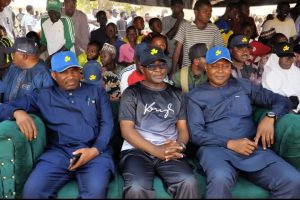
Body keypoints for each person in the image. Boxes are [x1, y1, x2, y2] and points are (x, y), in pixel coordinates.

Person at [186, 45, 300, 198]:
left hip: (251, 148)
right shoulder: (195, 96)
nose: (220, 71)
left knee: (292, 180)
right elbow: (196, 134)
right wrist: (230, 143)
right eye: (215, 66)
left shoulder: (243, 86)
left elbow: (281, 101)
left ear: (230, 67)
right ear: (206, 67)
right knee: (220, 178)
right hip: (215, 149)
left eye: (225, 66)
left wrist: (271, 116)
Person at [0, 51, 114, 198]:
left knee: (95, 192)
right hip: (59, 153)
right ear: (54, 75)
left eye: (74, 71)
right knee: (32, 192)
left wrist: (95, 150)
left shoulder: (96, 91)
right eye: (63, 72)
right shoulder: (43, 95)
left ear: (80, 72)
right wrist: (17, 112)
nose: (70, 76)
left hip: (94, 152)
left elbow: (108, 124)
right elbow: (3, 107)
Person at [119, 45, 201, 199]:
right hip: (136, 150)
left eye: (161, 64)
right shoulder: (131, 93)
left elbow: (183, 129)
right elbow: (126, 130)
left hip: (169, 149)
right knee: (136, 186)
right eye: (151, 66)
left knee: (188, 181)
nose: (158, 69)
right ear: (142, 69)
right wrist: (156, 150)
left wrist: (180, 146)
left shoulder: (177, 93)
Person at [173, 0, 224, 73]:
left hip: (207, 72)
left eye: (210, 11)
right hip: (188, 71)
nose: (208, 14)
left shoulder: (214, 28)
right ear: (196, 12)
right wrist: (174, 69)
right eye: (205, 11)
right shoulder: (185, 26)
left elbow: (220, 49)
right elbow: (177, 50)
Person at [0, 37, 53, 103]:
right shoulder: (13, 67)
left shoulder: (43, 74)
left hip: (26, 113)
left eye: (13, 53)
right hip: (5, 110)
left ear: (24, 56)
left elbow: (46, 104)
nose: (12, 56)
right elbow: (2, 86)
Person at [262, 42, 300, 113]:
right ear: (276, 57)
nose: (288, 59)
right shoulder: (270, 74)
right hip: (281, 112)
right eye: (284, 56)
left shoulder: (297, 72)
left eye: (290, 56)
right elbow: (273, 99)